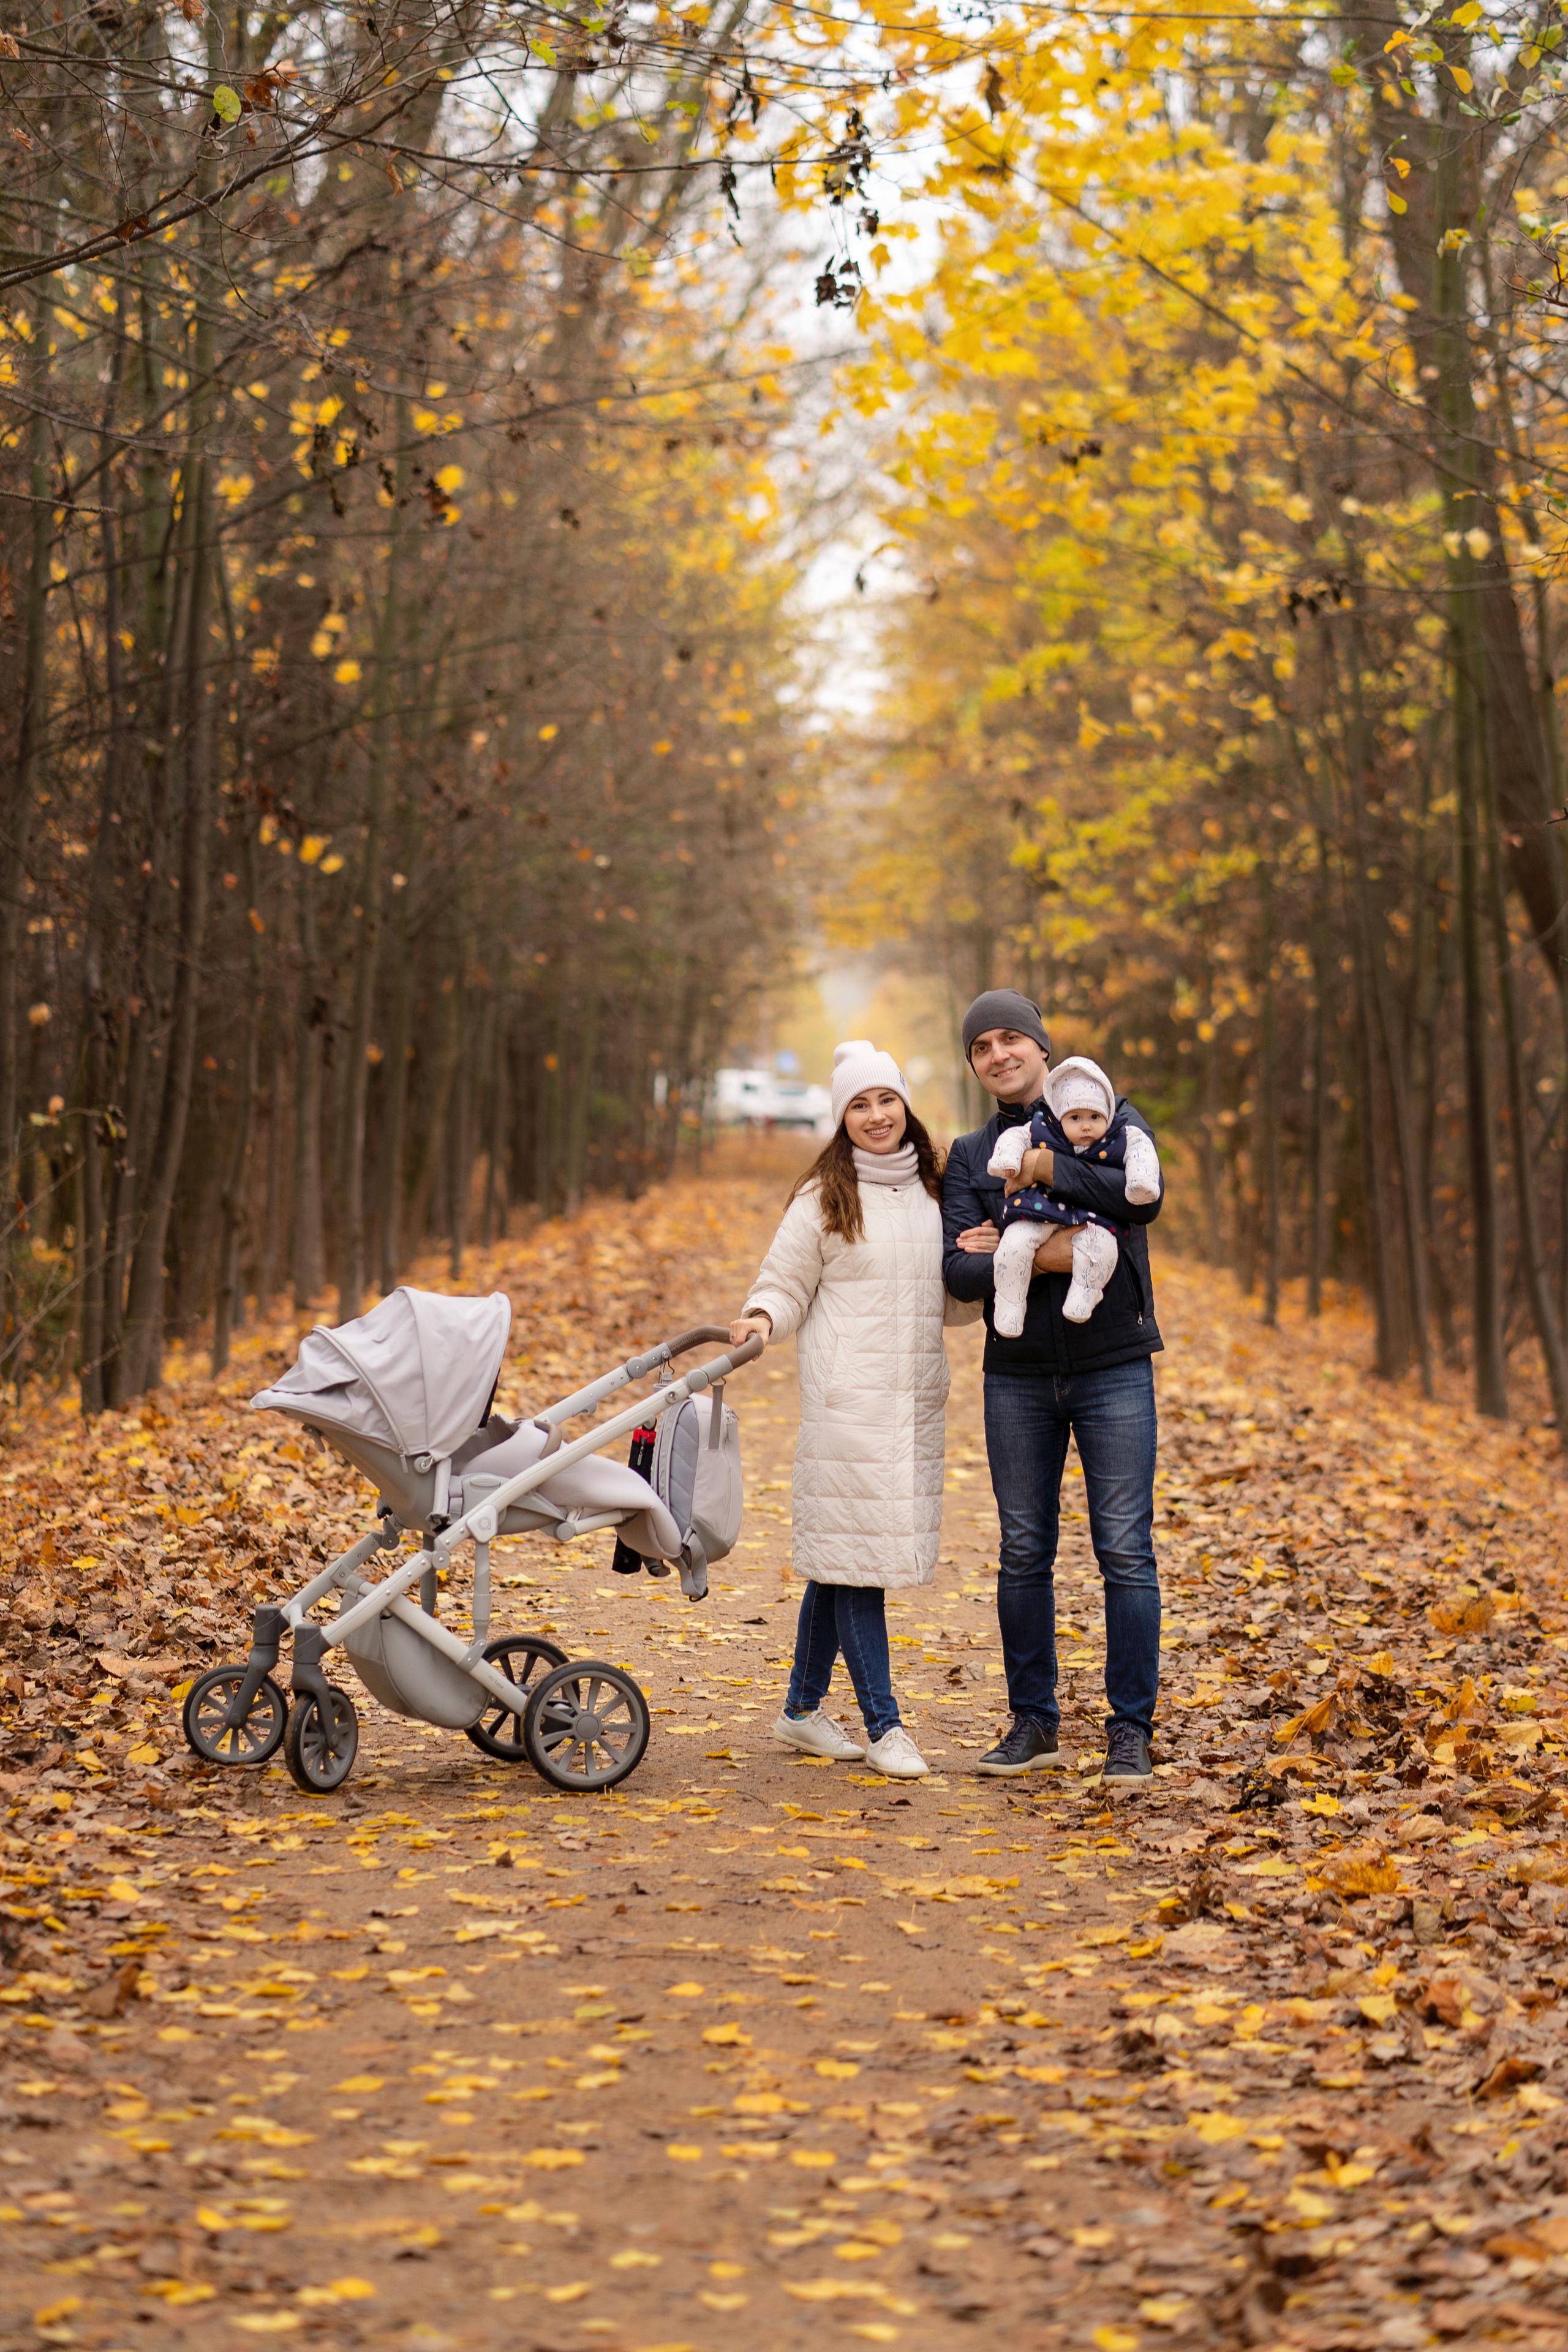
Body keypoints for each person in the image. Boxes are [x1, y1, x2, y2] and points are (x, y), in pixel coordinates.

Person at [729, 1039, 972, 1781]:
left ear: (905, 1105)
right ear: (842, 1117)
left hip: (912, 1402)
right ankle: (885, 1726)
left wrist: (984, 1260)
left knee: (841, 1563)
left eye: (885, 1100)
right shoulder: (822, 1198)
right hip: (848, 1404)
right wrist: (762, 1319)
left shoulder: (936, 1191)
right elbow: (784, 1282)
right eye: (859, 1105)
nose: (875, 1115)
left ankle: (801, 1711)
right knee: (860, 1567)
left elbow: (953, 1305)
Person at [942, 991, 1164, 1789]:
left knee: (1126, 1552)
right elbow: (960, 1267)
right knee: (1024, 1551)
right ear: (974, 1065)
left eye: (1012, 1040)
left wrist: (1035, 1182)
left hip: (1113, 1364)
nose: (999, 1054)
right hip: (1019, 1375)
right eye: (982, 1047)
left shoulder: (1105, 1109)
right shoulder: (971, 1155)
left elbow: (1141, 1198)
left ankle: (1130, 1733)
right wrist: (1044, 1252)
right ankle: (1033, 1724)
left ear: (1041, 1048)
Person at [987, 1056, 1162, 1332]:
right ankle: (1010, 1304)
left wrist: (1142, 1181)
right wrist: (1007, 1159)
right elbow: (1015, 1138)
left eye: (1095, 1117)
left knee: (1102, 1248)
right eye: (1075, 1118)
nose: (1086, 1126)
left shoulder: (1122, 1132)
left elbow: (1142, 1154)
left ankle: (1085, 1292)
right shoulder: (1043, 1128)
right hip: (1041, 1212)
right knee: (1014, 1243)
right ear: (1059, 1117)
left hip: (1096, 1223)